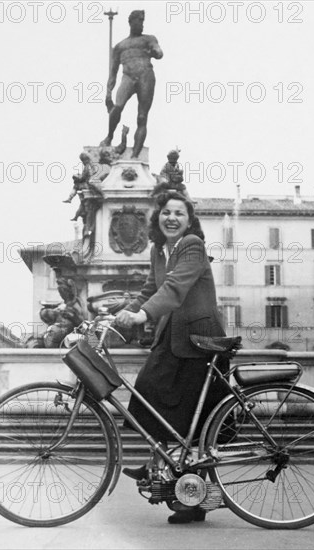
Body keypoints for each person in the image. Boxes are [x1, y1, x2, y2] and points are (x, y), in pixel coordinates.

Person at [115, 191, 229, 524]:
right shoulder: (159, 249)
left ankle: (194, 500)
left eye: (179, 213)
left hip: (199, 339)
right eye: (166, 212)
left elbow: (176, 288)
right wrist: (125, 312)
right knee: (148, 392)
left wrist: (142, 316)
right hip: (173, 335)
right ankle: (161, 466)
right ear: (158, 217)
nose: (171, 218)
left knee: (193, 421)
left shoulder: (192, 244)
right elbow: (151, 290)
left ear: (189, 219)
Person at [100, 10, 163, 159]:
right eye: (139, 21)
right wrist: (108, 92)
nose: (141, 24)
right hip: (127, 76)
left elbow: (159, 52)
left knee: (142, 117)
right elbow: (113, 72)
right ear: (131, 22)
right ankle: (109, 136)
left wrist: (155, 52)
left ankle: (135, 155)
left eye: (143, 21)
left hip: (145, 75)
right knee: (117, 107)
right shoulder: (120, 46)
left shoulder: (149, 39)